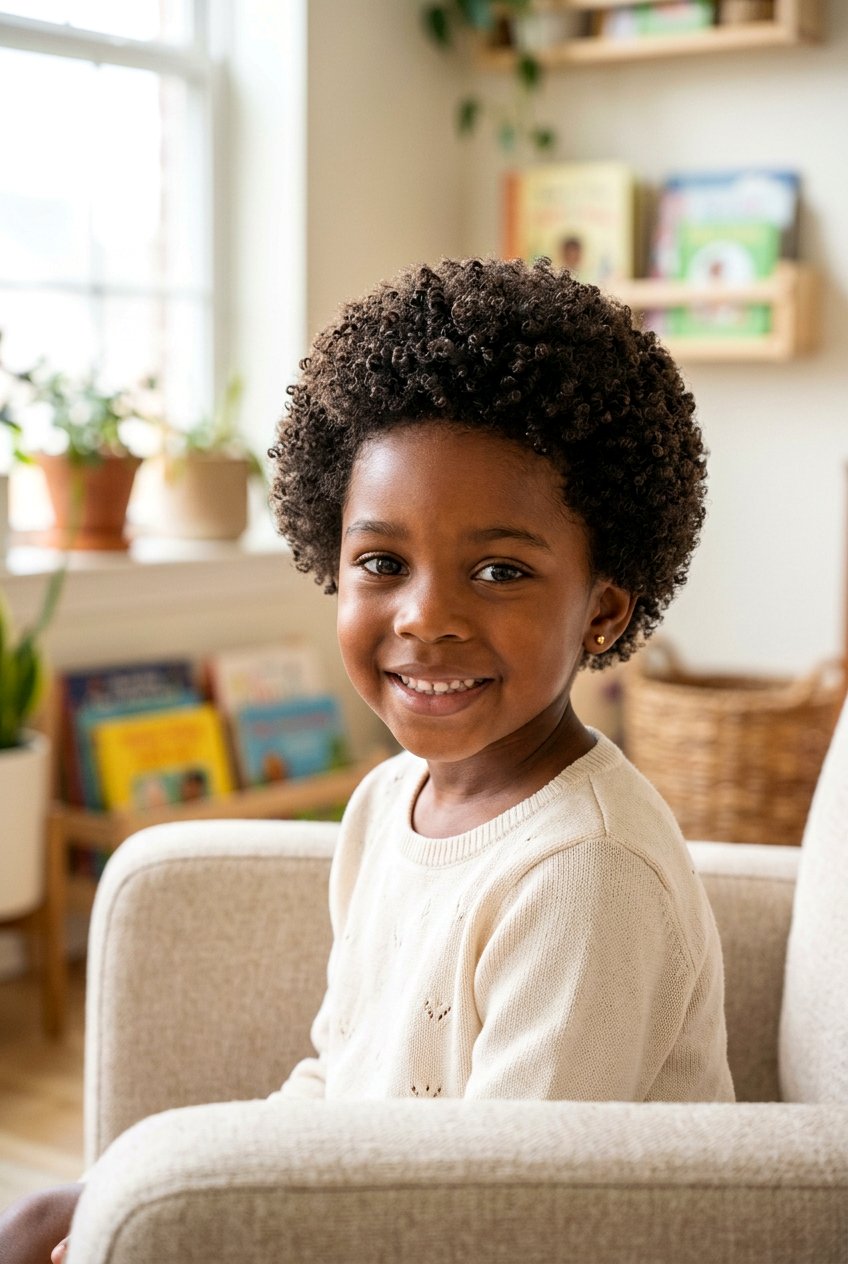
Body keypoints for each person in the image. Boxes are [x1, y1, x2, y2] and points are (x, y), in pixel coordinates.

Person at [0, 256, 734, 1261]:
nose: (424, 616)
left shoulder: (584, 874)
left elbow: (509, 1220)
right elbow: (336, 1080)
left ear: (601, 608)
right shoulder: (388, 799)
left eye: (498, 569)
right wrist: (120, 1187)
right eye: (381, 563)